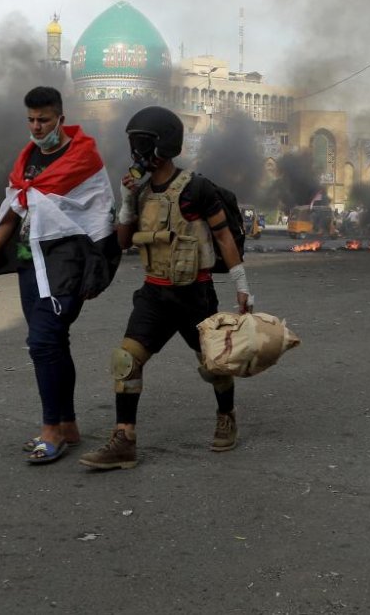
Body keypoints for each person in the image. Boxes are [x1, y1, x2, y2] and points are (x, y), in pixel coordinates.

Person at [80, 106, 250, 471]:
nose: (137, 151)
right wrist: (127, 200)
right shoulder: (139, 193)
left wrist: (242, 287)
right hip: (154, 294)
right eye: (134, 143)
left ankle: (227, 416)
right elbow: (124, 242)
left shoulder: (197, 189)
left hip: (195, 295)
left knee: (214, 366)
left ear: (165, 145)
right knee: (125, 361)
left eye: (143, 143)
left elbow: (222, 236)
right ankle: (124, 440)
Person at [0, 86, 121, 465]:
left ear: (60, 118)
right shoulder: (27, 161)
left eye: (44, 120)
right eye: (31, 120)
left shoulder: (83, 159)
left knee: (43, 341)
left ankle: (51, 429)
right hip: (29, 259)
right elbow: (15, 208)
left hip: (67, 261)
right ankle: (68, 424)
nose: (36, 127)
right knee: (54, 342)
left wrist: (96, 270)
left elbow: (99, 215)